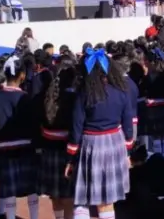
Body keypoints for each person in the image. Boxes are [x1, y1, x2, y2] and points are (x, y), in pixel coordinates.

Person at [66, 49, 133, 219]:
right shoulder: (121, 90)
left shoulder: (84, 92)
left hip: (91, 144)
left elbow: (76, 126)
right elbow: (128, 122)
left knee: (82, 197)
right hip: (115, 143)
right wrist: (128, 150)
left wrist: (71, 157)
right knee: (107, 199)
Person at [0, 56, 39, 219]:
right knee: (32, 188)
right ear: (22, 75)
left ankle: (10, 216)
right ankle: (34, 216)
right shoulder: (25, 98)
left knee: (9, 189)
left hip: (3, 149)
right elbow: (34, 123)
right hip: (26, 148)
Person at [38, 56, 78, 219]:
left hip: (49, 151)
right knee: (69, 196)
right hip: (68, 152)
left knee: (55, 195)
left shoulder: (47, 95)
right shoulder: (75, 97)